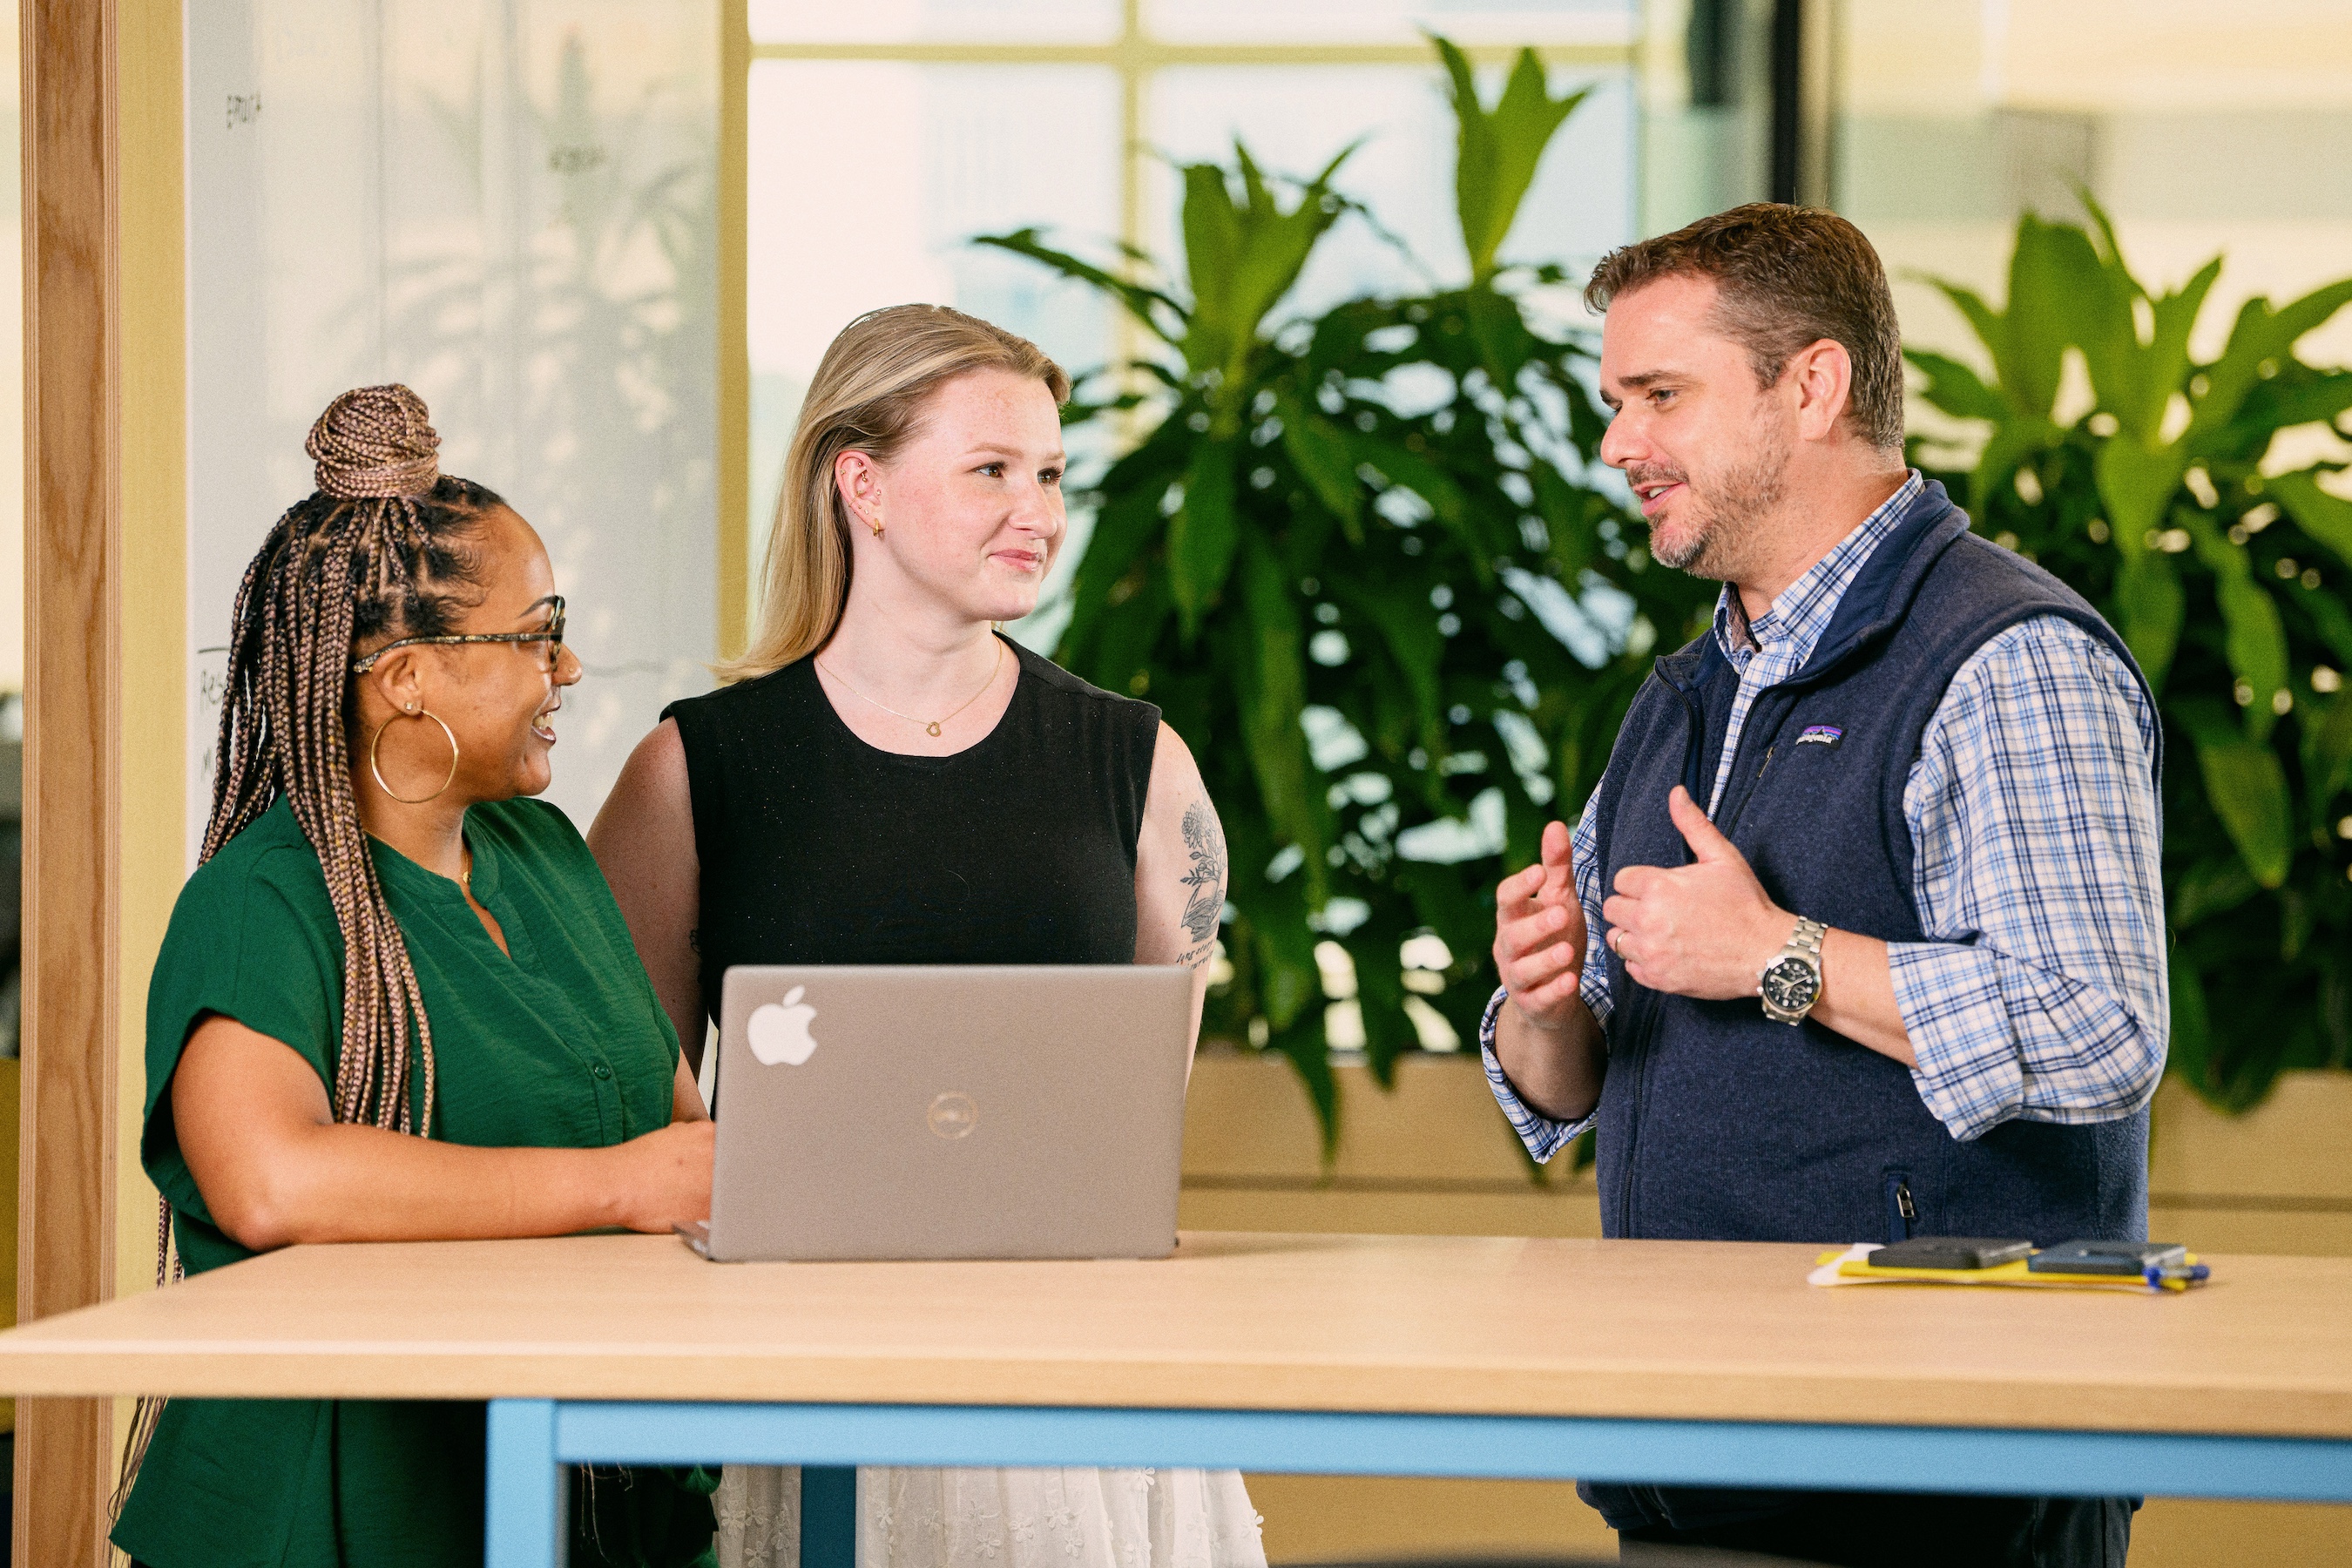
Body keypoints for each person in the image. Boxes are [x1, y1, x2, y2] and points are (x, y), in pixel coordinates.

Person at [1484, 206, 2164, 1567]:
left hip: (1937, 1475)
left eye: (1659, 396)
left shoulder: (2012, 660)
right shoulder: (1688, 691)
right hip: (1697, 1456)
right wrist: (1546, 1009)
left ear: (1812, 386)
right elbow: (1576, 1080)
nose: (1618, 444)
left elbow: (2101, 1029)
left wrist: (1778, 956)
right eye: (1616, 402)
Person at [589, 303, 1265, 1568]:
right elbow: (643, 1124)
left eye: (1050, 473)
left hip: (1075, 1381)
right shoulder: (688, 772)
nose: (1039, 512)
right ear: (864, 486)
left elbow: (1134, 1123)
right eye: (992, 470)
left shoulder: (1143, 766)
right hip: (791, 1378)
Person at [112, 386, 720, 1568]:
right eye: (535, 633)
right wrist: (617, 1184)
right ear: (404, 678)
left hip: (586, 1485)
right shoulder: (263, 902)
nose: (568, 665)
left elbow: (675, 1133)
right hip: (351, 1516)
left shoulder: (545, 854)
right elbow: (271, 1182)